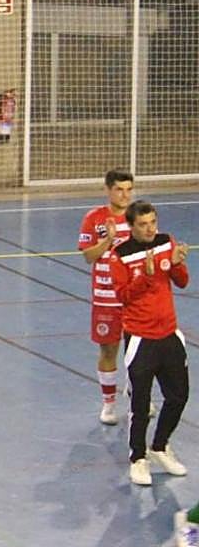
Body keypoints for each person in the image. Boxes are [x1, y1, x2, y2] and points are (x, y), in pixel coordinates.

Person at [111, 200, 190, 486]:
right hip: (140, 339)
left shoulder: (165, 242)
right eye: (143, 224)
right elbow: (123, 296)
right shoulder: (119, 256)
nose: (149, 228)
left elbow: (181, 282)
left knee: (178, 397)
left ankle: (160, 446)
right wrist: (145, 275)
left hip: (169, 335)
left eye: (152, 222)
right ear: (131, 226)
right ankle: (138, 459)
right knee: (141, 405)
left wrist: (179, 265)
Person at [78, 170, 135, 425]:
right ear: (108, 190)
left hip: (134, 298)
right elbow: (88, 256)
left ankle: (138, 398)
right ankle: (109, 404)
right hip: (105, 297)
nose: (125, 195)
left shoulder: (138, 217)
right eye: (119, 189)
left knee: (139, 352)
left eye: (128, 189)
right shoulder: (95, 218)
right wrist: (108, 242)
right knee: (109, 349)